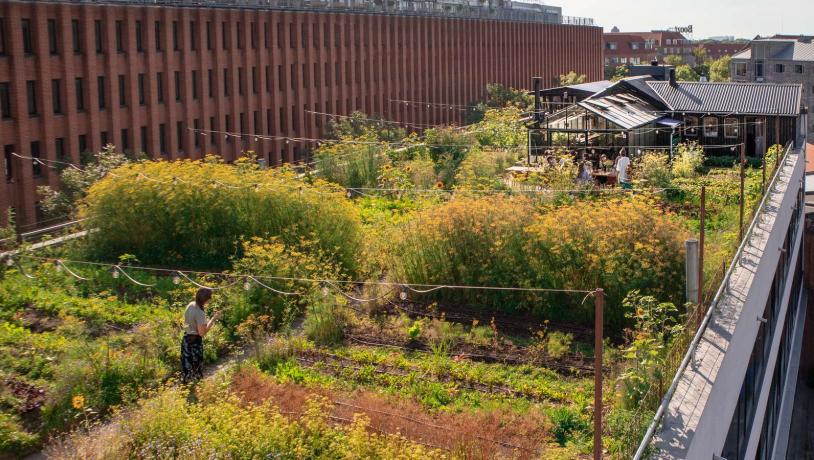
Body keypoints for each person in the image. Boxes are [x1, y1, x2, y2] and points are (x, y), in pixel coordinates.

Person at [181, 288, 220, 383]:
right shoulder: (199, 313)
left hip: (186, 340)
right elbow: (202, 333)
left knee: (186, 368)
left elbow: (186, 324)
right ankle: (197, 389)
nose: (209, 301)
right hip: (195, 343)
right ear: (205, 299)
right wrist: (213, 319)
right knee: (196, 369)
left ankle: (186, 388)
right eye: (209, 299)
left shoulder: (190, 305)